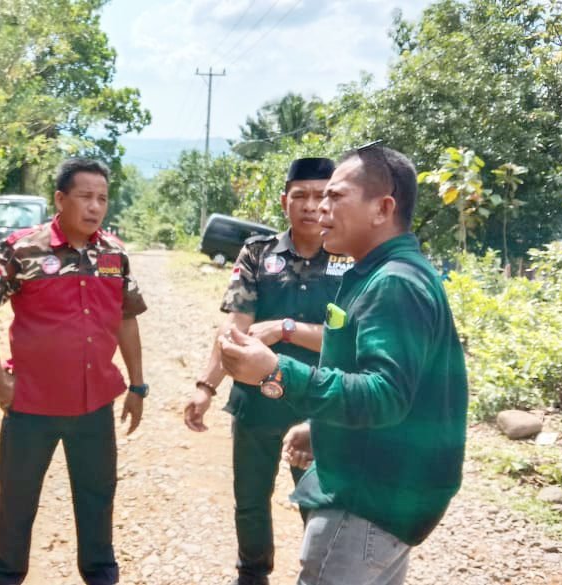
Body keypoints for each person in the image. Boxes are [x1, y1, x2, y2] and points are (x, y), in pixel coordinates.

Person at [219, 143, 468, 585]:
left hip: (367, 501)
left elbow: (385, 394)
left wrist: (276, 371)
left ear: (382, 208)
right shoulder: (389, 273)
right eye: (313, 197)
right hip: (388, 493)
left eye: (335, 196)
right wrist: (321, 428)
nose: (320, 208)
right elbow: (401, 391)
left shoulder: (394, 283)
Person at [0, 158, 148, 585]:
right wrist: (0, 380)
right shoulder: (21, 248)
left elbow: (126, 318)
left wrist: (137, 384)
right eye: (85, 196)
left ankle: (101, 576)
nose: (94, 207)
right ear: (60, 199)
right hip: (31, 405)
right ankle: (6, 577)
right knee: (17, 502)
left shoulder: (113, 255)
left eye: (102, 198)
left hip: (94, 403)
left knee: (97, 499)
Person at [183, 158, 349, 585]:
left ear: (334, 199)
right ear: (285, 201)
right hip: (255, 400)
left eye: (320, 195)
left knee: (319, 501)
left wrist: (286, 330)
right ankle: (252, 574)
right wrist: (206, 386)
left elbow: (352, 338)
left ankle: (322, 574)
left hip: (318, 401)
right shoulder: (259, 252)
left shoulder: (351, 258)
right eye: (301, 196)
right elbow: (237, 327)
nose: (311, 206)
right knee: (250, 501)